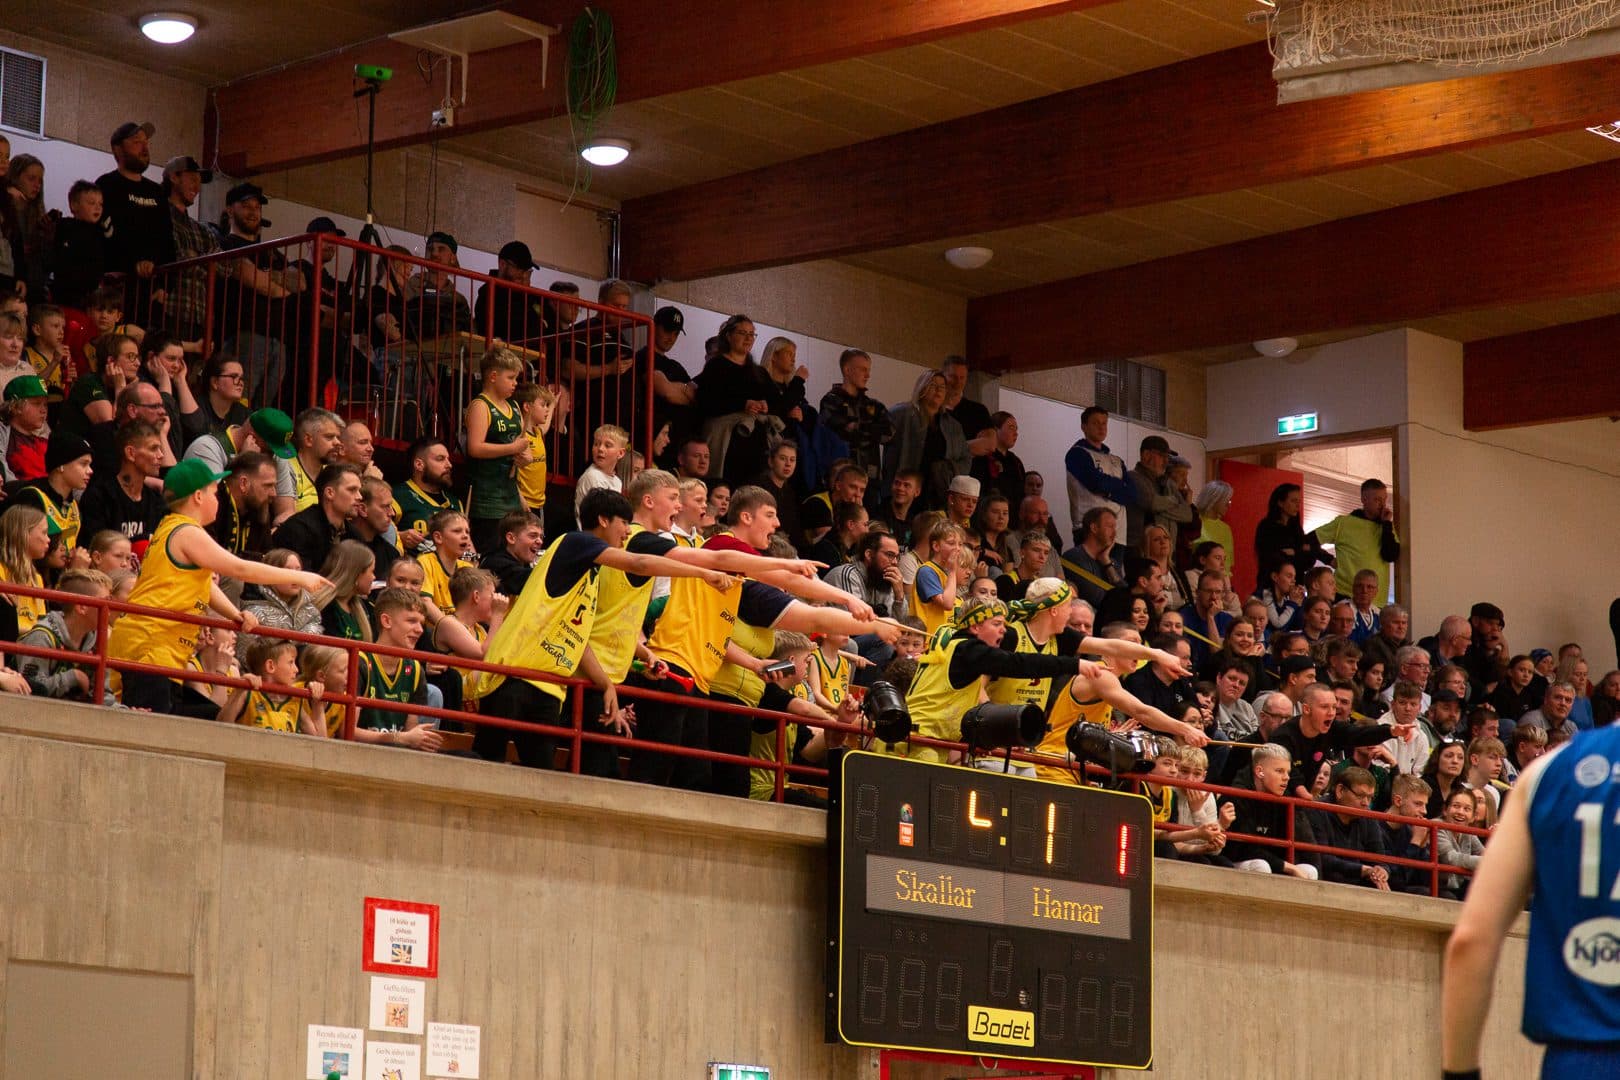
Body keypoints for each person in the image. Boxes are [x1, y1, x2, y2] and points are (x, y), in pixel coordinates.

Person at [106, 459, 331, 713]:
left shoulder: (171, 528)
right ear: (198, 496)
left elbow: (205, 585)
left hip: (157, 648)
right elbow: (239, 568)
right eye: (214, 493)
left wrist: (234, 614)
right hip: (150, 647)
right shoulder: (187, 532)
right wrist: (299, 577)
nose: (218, 500)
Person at [463, 347, 530, 554]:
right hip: (486, 498)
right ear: (493, 376)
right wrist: (512, 448)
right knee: (490, 554)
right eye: (510, 377)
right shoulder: (480, 406)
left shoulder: (514, 407)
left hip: (511, 494)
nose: (515, 383)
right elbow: (475, 447)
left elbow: (521, 447)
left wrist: (525, 458)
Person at [884, 368, 969, 508]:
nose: (938, 390)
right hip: (904, 489)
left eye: (942, 387)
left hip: (938, 492)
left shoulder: (953, 426)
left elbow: (966, 457)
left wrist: (950, 473)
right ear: (922, 387)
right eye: (933, 385)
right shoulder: (901, 413)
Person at [1311, 478, 1400, 602]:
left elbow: (1390, 555)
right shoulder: (1343, 523)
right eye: (1377, 500)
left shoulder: (1387, 527)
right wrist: (1328, 559)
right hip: (1344, 594)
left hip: (1376, 599)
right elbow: (1309, 541)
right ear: (1364, 499)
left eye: (1384, 500)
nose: (1383, 505)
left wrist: (1386, 525)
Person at [1064, 406, 1134, 547]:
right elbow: (1096, 483)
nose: (1101, 427)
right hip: (1089, 529)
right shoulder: (1076, 454)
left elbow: (1132, 494)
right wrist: (1119, 486)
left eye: (1104, 423)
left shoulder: (1117, 460)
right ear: (1084, 426)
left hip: (1118, 533)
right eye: (1096, 423)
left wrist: (1108, 490)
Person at [1252, 483, 1329, 597]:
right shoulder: (1267, 527)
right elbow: (1271, 558)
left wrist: (1295, 552)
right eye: (1293, 501)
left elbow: (1309, 559)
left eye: (1299, 502)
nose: (1297, 506)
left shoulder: (1296, 529)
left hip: (1295, 588)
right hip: (1272, 587)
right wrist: (1300, 552)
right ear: (1280, 502)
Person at [391, 438, 461, 555]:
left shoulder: (456, 503)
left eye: (448, 459)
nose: (449, 465)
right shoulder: (396, 496)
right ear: (419, 465)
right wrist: (399, 537)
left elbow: (467, 548)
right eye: (440, 459)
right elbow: (375, 534)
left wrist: (473, 558)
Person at [1124, 434, 1191, 553]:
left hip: (1167, 553)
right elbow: (1153, 504)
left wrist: (1159, 507)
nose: (1166, 461)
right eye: (1162, 456)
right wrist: (1175, 500)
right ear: (1146, 455)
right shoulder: (1133, 477)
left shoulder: (1167, 482)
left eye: (1167, 457)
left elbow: (1187, 514)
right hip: (1140, 551)